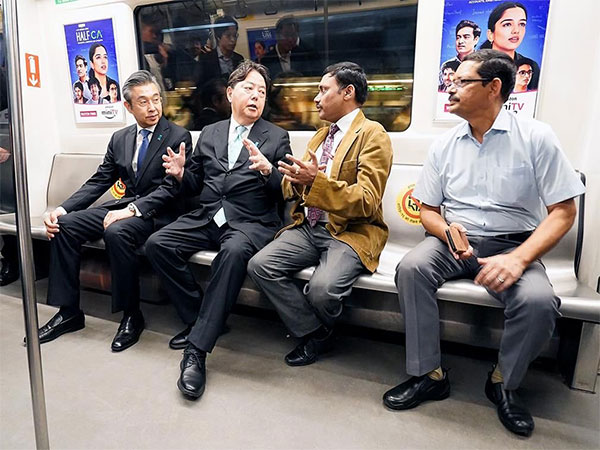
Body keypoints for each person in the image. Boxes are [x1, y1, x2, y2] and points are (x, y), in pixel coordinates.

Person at [383, 50, 585, 437]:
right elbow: (427, 210)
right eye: (451, 81)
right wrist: (446, 231)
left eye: (461, 82)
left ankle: (504, 382)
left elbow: (563, 211)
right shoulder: (445, 145)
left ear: (494, 88)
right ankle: (429, 373)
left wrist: (519, 259)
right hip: (453, 242)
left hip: (514, 244)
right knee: (410, 268)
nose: (451, 88)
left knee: (540, 302)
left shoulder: (536, 137)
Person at [142, 60, 291, 399]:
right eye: (249, 88)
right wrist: (181, 174)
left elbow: (287, 189)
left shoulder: (276, 136)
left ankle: (196, 350)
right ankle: (202, 318)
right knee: (157, 243)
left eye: (262, 92)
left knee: (233, 252)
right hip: (209, 215)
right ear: (230, 93)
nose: (256, 96)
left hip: (250, 221)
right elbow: (196, 184)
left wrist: (270, 171)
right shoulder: (209, 132)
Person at [33, 70, 192, 352]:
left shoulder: (177, 136)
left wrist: (132, 208)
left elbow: (170, 189)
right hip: (123, 206)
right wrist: (62, 208)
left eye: (156, 99)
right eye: (143, 102)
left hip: (157, 213)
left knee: (117, 231)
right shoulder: (120, 138)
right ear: (128, 106)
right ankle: (69, 311)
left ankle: (131, 315)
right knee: (65, 225)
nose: (153, 107)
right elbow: (99, 181)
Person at [248, 62, 393, 367]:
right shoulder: (320, 136)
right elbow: (299, 184)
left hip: (352, 230)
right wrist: (281, 175)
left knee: (322, 290)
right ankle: (316, 333)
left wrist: (315, 182)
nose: (316, 98)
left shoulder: (373, 134)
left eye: (323, 90)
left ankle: (315, 328)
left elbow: (367, 201)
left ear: (348, 92)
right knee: (260, 265)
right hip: (309, 226)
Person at [480, 1, 541, 90]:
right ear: (490, 34)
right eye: (507, 24)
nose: (516, 30)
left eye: (522, 24)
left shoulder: (530, 66)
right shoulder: (475, 65)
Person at [195, 16, 244, 89]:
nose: (233, 40)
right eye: (228, 36)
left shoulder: (239, 59)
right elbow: (200, 87)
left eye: (235, 36)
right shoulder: (206, 59)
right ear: (218, 37)